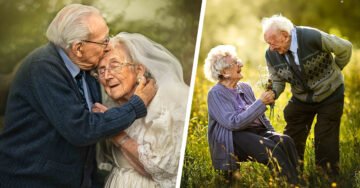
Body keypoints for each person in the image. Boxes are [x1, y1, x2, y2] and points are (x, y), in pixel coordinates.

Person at [0, 4, 156, 188]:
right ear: (79, 48)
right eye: (103, 41)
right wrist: (136, 105)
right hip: (31, 180)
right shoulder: (42, 68)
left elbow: (89, 141)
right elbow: (82, 130)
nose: (107, 47)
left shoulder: (87, 70)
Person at [93, 32, 189, 188]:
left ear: (138, 70)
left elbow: (162, 170)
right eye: (101, 70)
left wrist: (113, 130)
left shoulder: (169, 103)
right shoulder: (108, 107)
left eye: (115, 65)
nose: (107, 76)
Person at [262, 15, 352, 174]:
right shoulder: (271, 55)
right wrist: (273, 93)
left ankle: (327, 177)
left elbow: (345, 48)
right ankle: (291, 174)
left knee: (325, 138)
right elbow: (277, 80)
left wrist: (333, 72)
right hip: (301, 98)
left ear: (285, 35)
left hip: (331, 94)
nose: (271, 48)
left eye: (272, 42)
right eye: (268, 43)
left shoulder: (311, 36)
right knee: (291, 135)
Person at [205, 45, 299, 183]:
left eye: (239, 60)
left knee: (285, 141)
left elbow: (261, 117)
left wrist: (273, 135)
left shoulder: (245, 87)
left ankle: (297, 180)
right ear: (225, 72)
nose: (241, 64)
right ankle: (293, 185)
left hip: (255, 132)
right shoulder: (215, 94)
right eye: (236, 63)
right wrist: (261, 103)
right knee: (272, 150)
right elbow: (233, 123)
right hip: (234, 138)